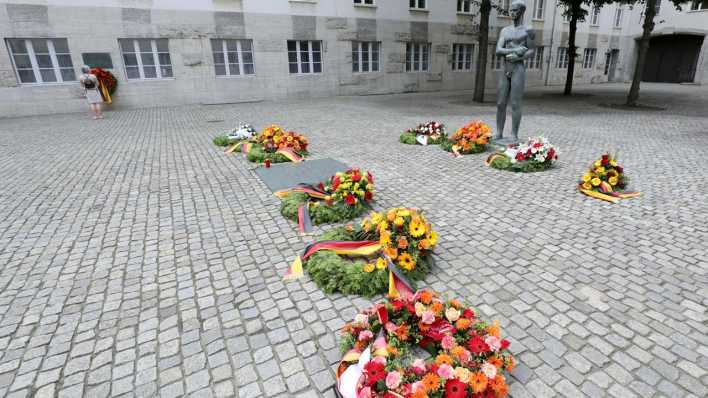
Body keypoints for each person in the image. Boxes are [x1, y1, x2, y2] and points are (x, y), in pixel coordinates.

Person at [495, 0, 535, 144]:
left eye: (515, 10)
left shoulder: (528, 30)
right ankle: (499, 132)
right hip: (505, 68)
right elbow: (498, 50)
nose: (512, 13)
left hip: (518, 68)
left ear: (522, 12)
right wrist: (515, 50)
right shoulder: (505, 30)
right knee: (500, 103)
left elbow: (531, 51)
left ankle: (514, 134)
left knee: (516, 103)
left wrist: (520, 56)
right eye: (510, 10)